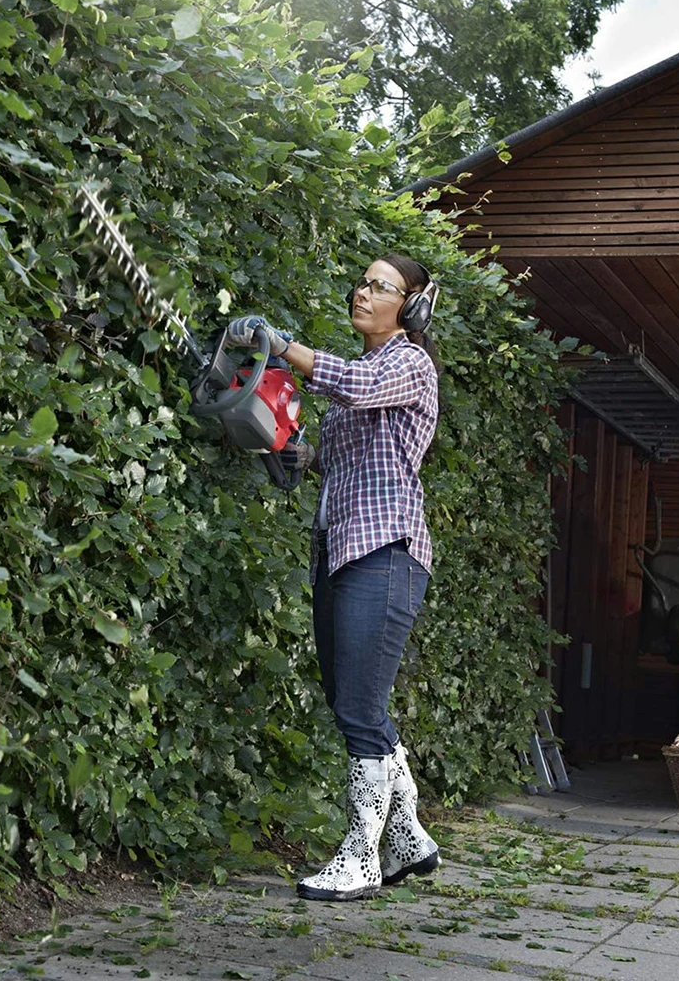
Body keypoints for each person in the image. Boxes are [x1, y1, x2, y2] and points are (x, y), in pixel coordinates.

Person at [224, 254, 442, 901]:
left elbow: (354, 383)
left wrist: (282, 346)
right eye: (364, 281)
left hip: (387, 551)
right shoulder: (363, 376)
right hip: (340, 549)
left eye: (381, 286)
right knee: (352, 700)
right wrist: (299, 453)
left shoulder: (409, 364)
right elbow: (348, 458)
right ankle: (408, 839)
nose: (364, 292)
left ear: (411, 305)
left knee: (357, 707)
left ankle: (362, 857)